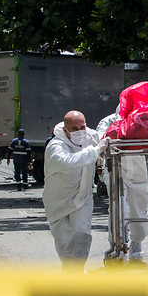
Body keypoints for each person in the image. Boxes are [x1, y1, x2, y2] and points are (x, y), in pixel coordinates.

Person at [42, 110, 106, 270]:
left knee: (82, 232)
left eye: (82, 127)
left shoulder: (90, 137)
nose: (80, 132)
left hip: (83, 196)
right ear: (65, 130)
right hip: (59, 200)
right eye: (74, 129)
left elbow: (107, 133)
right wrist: (95, 151)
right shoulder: (56, 146)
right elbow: (68, 162)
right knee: (63, 238)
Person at [97, 109, 148, 262]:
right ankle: (117, 248)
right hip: (116, 171)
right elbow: (100, 142)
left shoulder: (145, 120)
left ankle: (136, 249)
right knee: (117, 210)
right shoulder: (108, 122)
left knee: (139, 211)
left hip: (140, 172)